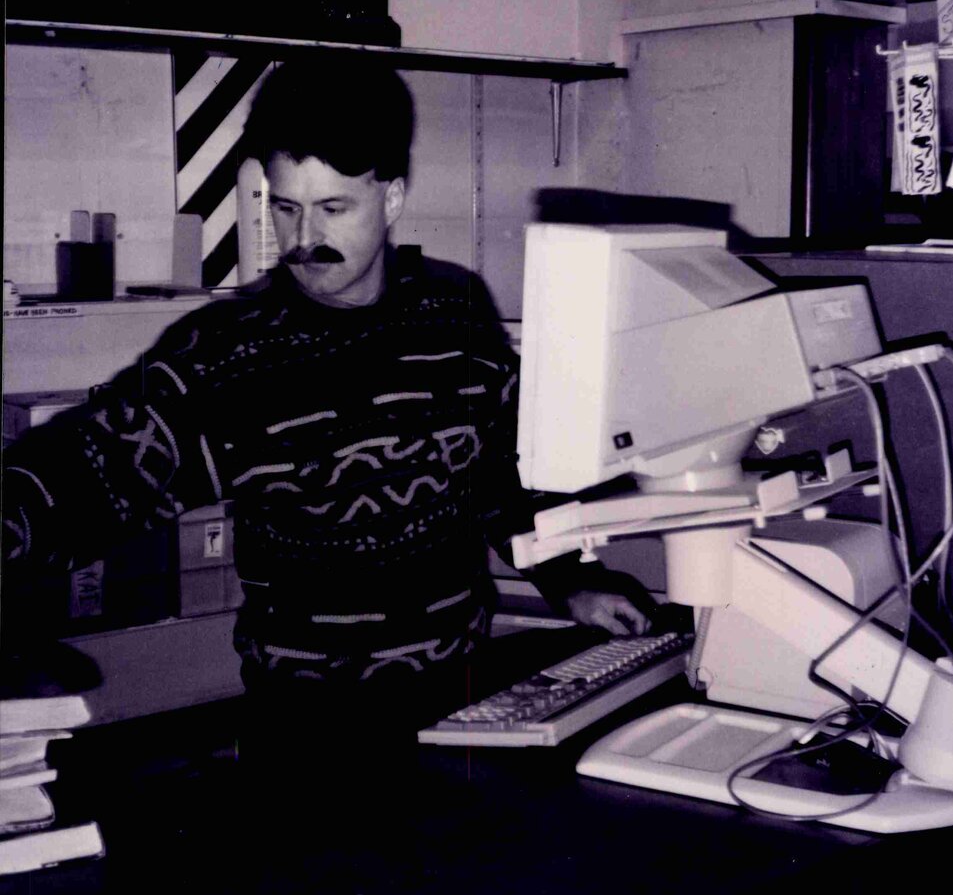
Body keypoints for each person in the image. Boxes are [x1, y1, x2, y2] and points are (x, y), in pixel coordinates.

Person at [2, 55, 654, 762]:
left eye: (333, 208)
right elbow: (86, 476)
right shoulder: (227, 355)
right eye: (286, 207)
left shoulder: (456, 313)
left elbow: (500, 479)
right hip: (306, 726)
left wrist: (570, 583)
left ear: (393, 198)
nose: (303, 236)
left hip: (462, 700)